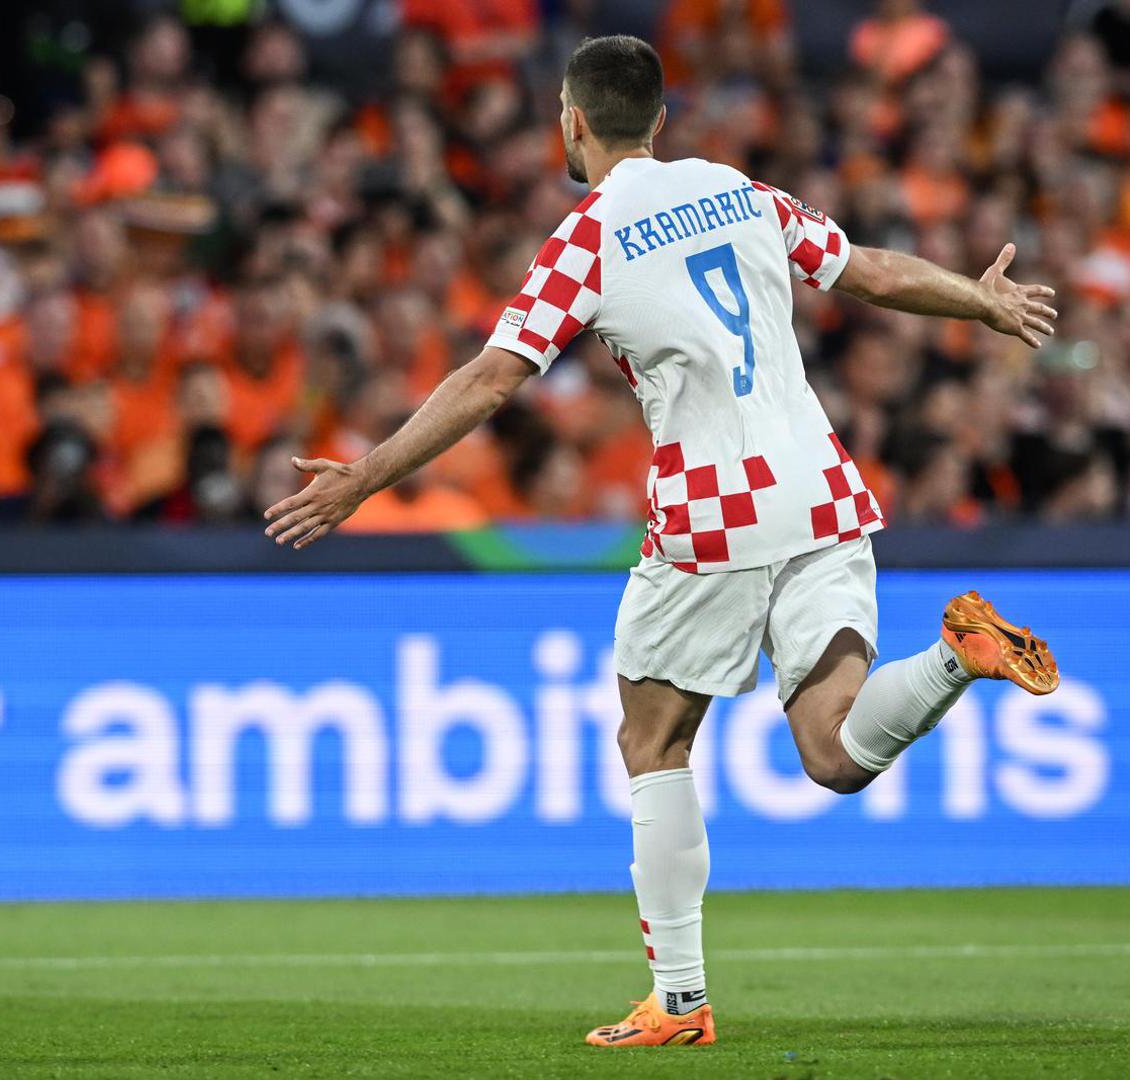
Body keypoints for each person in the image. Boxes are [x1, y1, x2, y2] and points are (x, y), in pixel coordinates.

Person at [261, 35, 1063, 1049]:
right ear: (663, 122)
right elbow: (865, 271)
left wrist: (363, 478)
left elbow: (490, 377)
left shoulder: (587, 235)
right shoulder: (740, 190)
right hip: (822, 491)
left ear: (573, 121)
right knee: (833, 750)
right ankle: (955, 657)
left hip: (712, 510)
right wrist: (979, 298)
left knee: (652, 741)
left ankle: (679, 1002)